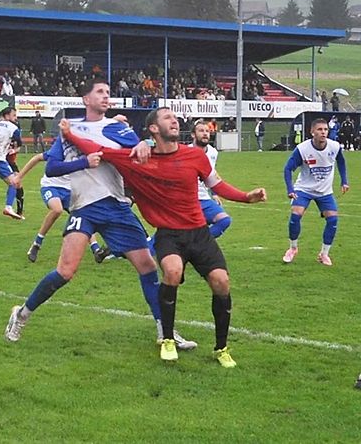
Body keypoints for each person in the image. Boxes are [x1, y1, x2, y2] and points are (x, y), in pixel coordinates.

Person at [59, 108, 267, 366]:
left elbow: (218, 185)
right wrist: (69, 133)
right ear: (154, 129)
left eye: (175, 118)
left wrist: (247, 197)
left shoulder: (194, 156)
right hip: (169, 234)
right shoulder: (136, 159)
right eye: (167, 118)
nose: (174, 121)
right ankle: (167, 339)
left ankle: (221, 348)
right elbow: (97, 149)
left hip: (199, 233)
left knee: (221, 282)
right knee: (171, 271)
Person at [4, 80, 197, 351]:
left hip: (117, 206)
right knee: (65, 272)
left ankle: (165, 331)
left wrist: (142, 142)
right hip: (85, 207)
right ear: (85, 99)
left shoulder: (116, 127)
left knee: (148, 267)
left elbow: (143, 147)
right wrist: (85, 161)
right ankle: (21, 314)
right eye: (100, 92)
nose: (106, 97)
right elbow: (52, 169)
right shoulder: (70, 129)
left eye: (108, 93)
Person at [17, 151, 112, 264]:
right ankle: (37, 244)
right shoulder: (60, 149)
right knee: (57, 209)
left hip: (69, 189)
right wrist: (19, 176)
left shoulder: (82, 152)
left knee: (85, 214)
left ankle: (96, 250)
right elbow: (37, 158)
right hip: (51, 186)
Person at [282, 118, 349, 266]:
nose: (323, 132)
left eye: (325, 129)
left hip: (325, 191)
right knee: (296, 214)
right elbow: (288, 169)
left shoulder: (334, 146)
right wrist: (290, 189)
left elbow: (341, 162)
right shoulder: (303, 149)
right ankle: (293, 248)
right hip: (304, 189)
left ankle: (324, 254)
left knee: (332, 219)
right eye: (319, 129)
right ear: (312, 132)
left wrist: (344, 181)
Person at [190, 121, 233, 239]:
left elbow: (211, 174)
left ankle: (198, 242)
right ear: (193, 135)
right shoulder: (184, 151)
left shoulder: (213, 152)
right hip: (187, 200)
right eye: (201, 131)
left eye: (207, 131)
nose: (205, 134)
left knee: (224, 220)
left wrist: (214, 194)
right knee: (171, 231)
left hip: (204, 198)